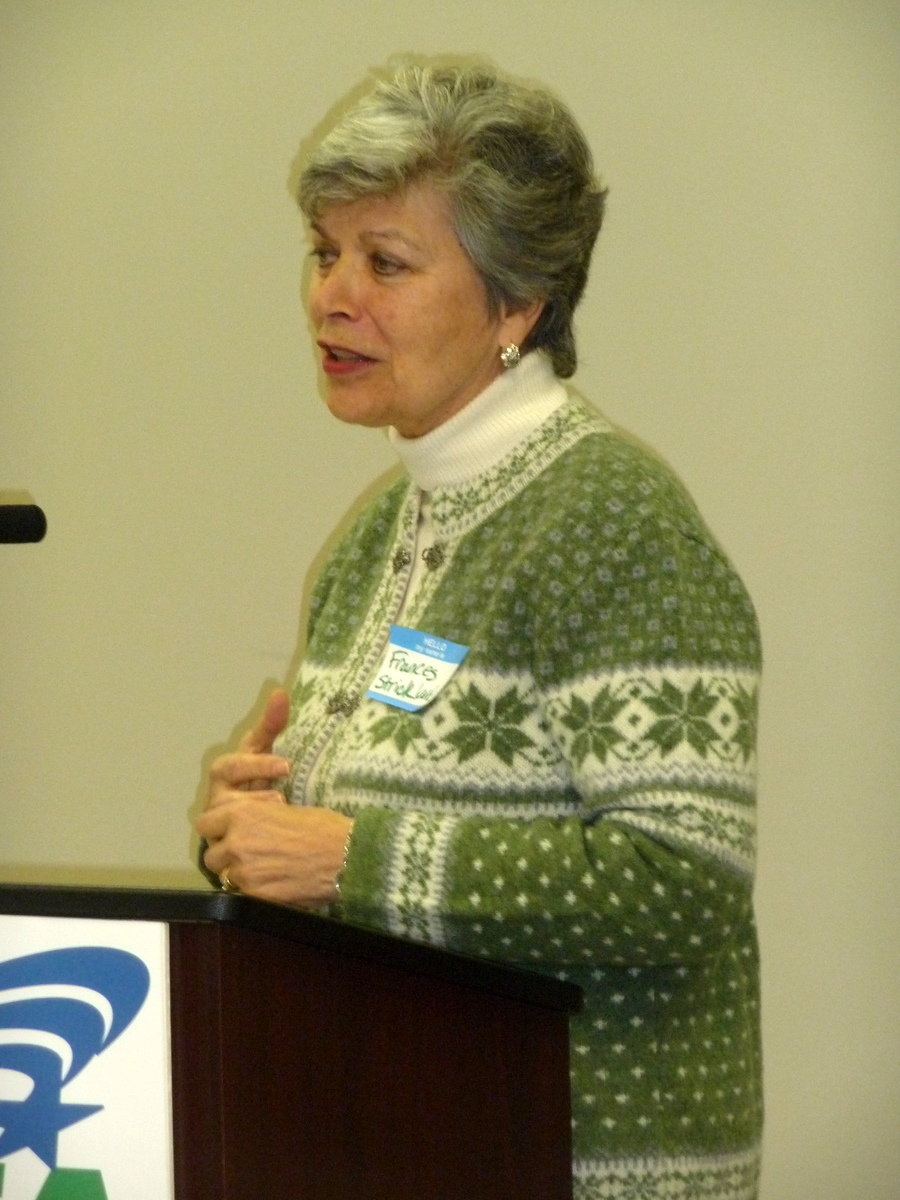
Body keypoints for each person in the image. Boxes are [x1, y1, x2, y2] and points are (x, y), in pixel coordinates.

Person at [197, 58, 763, 1200]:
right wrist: (255, 836)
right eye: (325, 252)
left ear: (519, 303)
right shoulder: (376, 540)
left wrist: (348, 857)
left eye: (386, 262)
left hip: (584, 1166)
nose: (331, 295)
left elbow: (682, 880)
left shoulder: (612, 520)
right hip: (405, 1143)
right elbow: (357, 878)